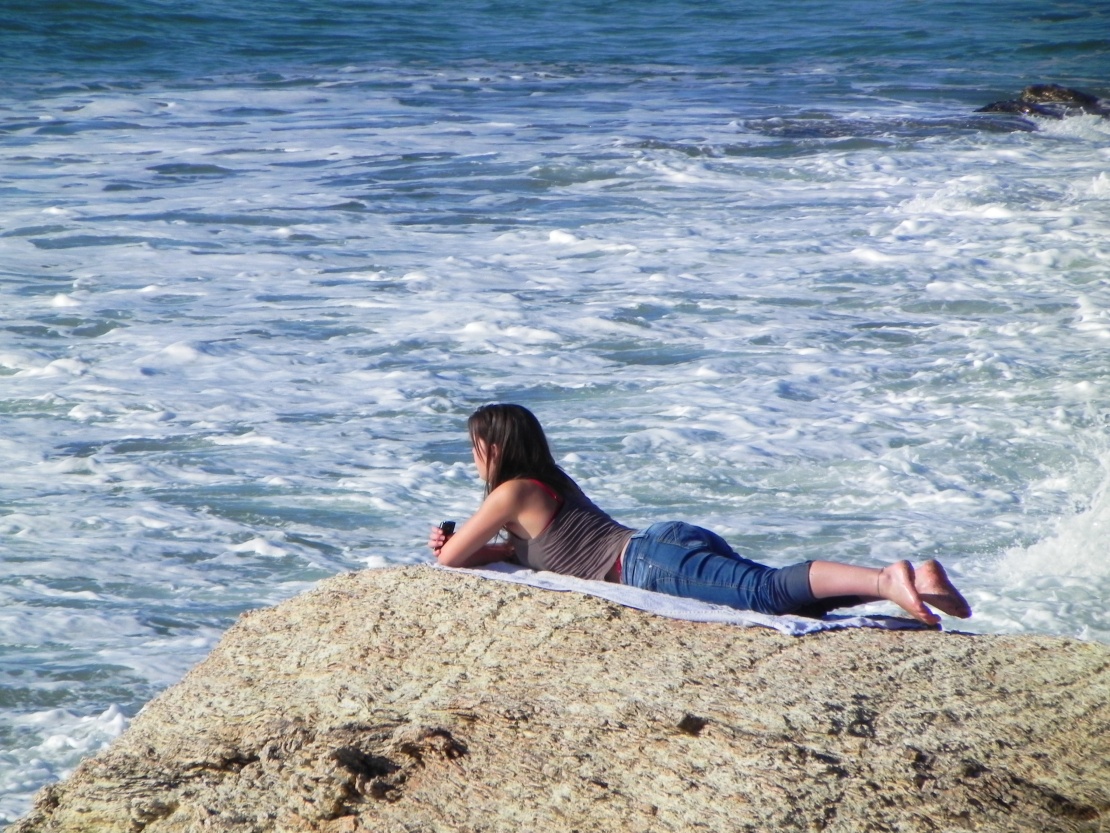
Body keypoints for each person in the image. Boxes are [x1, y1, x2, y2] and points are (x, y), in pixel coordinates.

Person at [428, 403, 972, 625]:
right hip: (661, 543)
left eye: (477, 447)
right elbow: (530, 550)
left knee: (766, 592)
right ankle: (917, 583)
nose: (474, 457)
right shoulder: (542, 484)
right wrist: (491, 548)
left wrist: (451, 545)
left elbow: (453, 560)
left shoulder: (509, 492)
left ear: (494, 448)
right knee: (788, 604)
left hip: (645, 564)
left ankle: (887, 577)